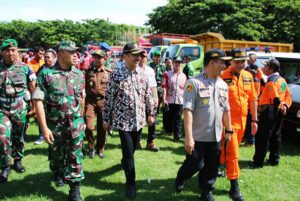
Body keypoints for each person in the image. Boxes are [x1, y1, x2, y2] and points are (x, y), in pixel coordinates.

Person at [175, 49, 233, 201]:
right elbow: (187, 110)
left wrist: (229, 130)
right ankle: (181, 177)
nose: (225, 65)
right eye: (222, 62)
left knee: (212, 166)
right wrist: (188, 138)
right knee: (193, 164)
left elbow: (226, 109)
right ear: (212, 62)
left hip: (215, 136)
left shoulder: (223, 85)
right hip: (198, 136)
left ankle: (206, 190)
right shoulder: (194, 82)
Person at [32, 41, 85, 201]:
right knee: (56, 156)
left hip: (75, 124)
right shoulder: (46, 74)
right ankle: (57, 172)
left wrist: (80, 118)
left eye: (77, 52)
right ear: (61, 54)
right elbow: (38, 101)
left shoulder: (79, 74)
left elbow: (82, 97)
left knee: (75, 156)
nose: (76, 55)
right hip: (55, 126)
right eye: (71, 52)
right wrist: (44, 128)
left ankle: (74, 190)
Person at [102, 43, 154, 199]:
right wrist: (106, 118)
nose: (138, 57)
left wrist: (150, 113)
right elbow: (109, 98)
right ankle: (131, 183)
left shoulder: (143, 74)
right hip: (122, 121)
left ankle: (125, 161)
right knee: (129, 153)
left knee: (131, 152)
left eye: (139, 55)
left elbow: (148, 96)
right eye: (134, 54)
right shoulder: (116, 75)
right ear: (125, 56)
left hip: (138, 121)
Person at [220, 48, 258, 201]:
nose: (240, 64)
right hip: (226, 123)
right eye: (237, 61)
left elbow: (253, 99)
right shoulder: (222, 75)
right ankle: (234, 186)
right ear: (231, 61)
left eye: (243, 61)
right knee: (234, 154)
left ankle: (217, 167)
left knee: (225, 152)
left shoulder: (248, 76)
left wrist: (255, 119)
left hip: (242, 123)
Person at [0, 39, 36, 183]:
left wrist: (34, 106)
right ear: (2, 52)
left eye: (13, 50)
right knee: (2, 137)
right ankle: (4, 166)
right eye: (7, 50)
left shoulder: (26, 68)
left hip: (20, 108)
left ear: (17, 52)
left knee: (18, 136)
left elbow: (34, 88)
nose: (10, 53)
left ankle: (17, 160)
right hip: (2, 108)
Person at [251, 58, 292, 168]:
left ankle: (258, 162)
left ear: (271, 68)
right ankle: (274, 159)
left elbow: (275, 98)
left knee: (262, 137)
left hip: (268, 112)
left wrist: (279, 104)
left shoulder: (271, 81)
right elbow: (288, 96)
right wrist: (285, 105)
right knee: (276, 135)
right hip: (278, 112)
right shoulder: (282, 80)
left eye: (265, 66)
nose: (263, 68)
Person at [85, 50, 111, 159]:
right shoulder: (88, 72)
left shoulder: (108, 73)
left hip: (103, 101)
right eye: (95, 57)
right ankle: (91, 147)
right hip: (90, 101)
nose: (96, 59)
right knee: (89, 126)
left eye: (99, 57)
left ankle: (100, 149)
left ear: (104, 59)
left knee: (102, 127)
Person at [34, 49, 57, 145]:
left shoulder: (58, 69)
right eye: (45, 57)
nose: (46, 59)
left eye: (48, 57)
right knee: (42, 117)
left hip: (55, 99)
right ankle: (41, 135)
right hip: (44, 98)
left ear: (54, 58)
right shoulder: (41, 69)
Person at [161, 56, 187, 142]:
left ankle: (177, 136)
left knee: (178, 118)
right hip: (169, 100)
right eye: (176, 62)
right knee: (168, 117)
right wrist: (164, 99)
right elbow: (164, 87)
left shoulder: (184, 76)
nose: (177, 64)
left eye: (179, 63)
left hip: (180, 100)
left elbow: (185, 89)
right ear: (172, 63)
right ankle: (168, 130)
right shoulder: (167, 74)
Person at [138, 50, 159, 151]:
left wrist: (156, 98)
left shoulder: (150, 70)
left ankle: (150, 142)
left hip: (150, 99)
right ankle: (137, 141)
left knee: (151, 121)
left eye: (144, 57)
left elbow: (153, 86)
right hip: (138, 99)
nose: (142, 59)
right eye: (141, 56)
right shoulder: (135, 69)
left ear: (147, 58)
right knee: (139, 121)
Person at [242, 53, 264, 146]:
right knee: (248, 121)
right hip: (248, 101)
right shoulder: (247, 71)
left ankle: (251, 140)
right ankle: (247, 138)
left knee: (251, 121)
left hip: (252, 102)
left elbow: (261, 87)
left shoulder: (256, 78)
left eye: (252, 58)